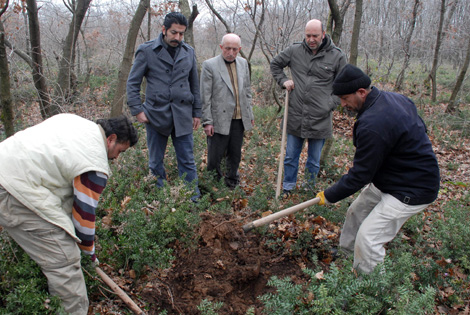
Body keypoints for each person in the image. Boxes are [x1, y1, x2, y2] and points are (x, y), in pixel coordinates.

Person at [0, 113, 138, 314]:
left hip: (7, 167)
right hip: (13, 189)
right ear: (111, 139)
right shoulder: (95, 162)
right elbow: (83, 217)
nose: (117, 157)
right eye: (120, 150)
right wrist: (89, 253)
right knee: (65, 259)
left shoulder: (76, 122)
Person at [316, 64, 440, 274]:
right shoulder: (395, 98)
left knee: (368, 239)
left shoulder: (373, 124)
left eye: (345, 99)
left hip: (412, 188)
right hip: (390, 178)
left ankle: (372, 292)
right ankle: (347, 257)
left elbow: (360, 175)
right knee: (356, 212)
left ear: (361, 92)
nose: (342, 104)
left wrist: (329, 195)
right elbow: (420, 127)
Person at [126, 12, 202, 197]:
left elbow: (195, 85)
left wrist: (197, 112)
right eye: (174, 33)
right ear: (164, 30)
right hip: (155, 114)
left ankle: (192, 199)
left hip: (183, 114)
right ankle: (161, 199)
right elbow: (132, 82)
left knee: (187, 160)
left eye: (181, 34)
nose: (178, 38)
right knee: (155, 162)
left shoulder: (189, 52)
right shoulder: (147, 51)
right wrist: (137, 110)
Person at [270, 19, 346, 196]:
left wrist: (330, 104)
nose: (311, 39)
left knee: (313, 160)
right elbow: (275, 64)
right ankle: (288, 187)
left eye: (315, 36)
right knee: (290, 157)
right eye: (308, 35)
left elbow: (343, 85)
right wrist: (283, 80)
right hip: (295, 114)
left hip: (320, 118)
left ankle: (308, 189)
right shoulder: (295, 50)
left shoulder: (337, 56)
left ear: (323, 34)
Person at [200, 33, 254, 188]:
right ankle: (213, 186)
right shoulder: (210, 65)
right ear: (221, 47)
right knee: (215, 157)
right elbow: (205, 96)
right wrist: (207, 122)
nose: (231, 53)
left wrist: (249, 113)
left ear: (240, 49)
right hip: (218, 120)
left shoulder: (243, 63)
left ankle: (231, 184)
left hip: (238, 118)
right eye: (228, 49)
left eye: (235, 49)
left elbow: (247, 91)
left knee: (235, 154)